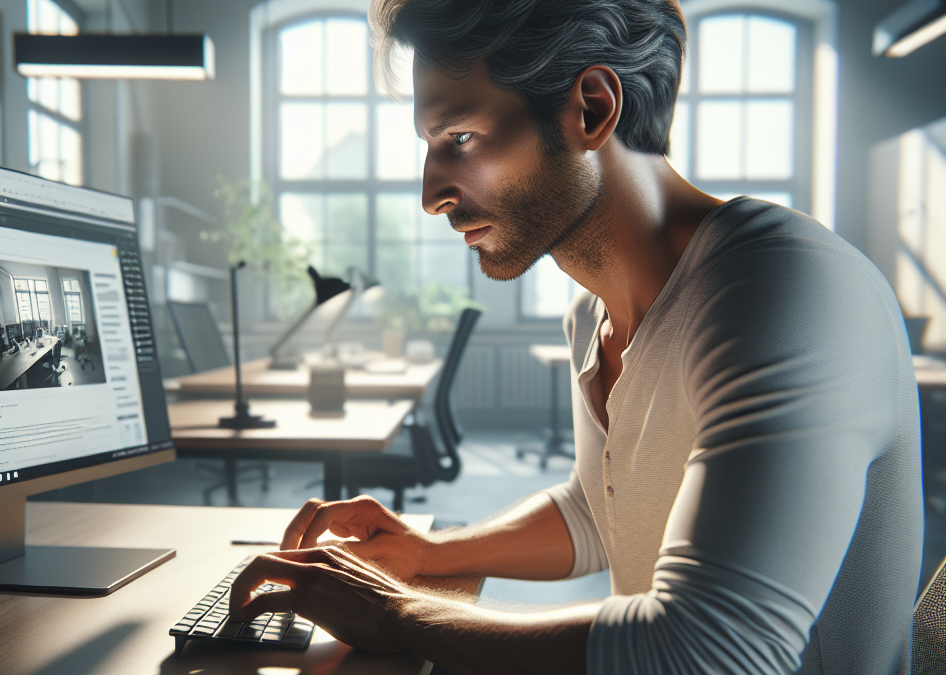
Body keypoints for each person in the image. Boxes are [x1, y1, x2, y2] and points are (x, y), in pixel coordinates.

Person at [230, 1, 923, 673]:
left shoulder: (785, 288)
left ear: (591, 108)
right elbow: (602, 508)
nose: (431, 191)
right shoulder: (593, 313)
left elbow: (711, 653)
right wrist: (429, 553)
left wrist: (402, 612)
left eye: (459, 138)